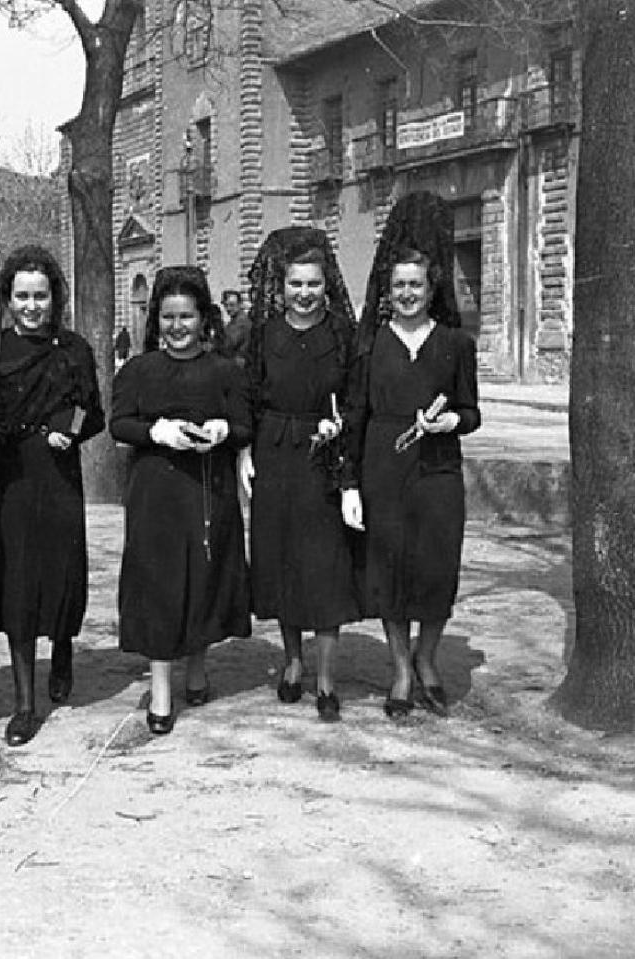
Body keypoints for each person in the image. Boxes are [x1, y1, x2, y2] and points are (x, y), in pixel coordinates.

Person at [346, 192, 480, 721]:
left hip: (438, 472)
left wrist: (452, 421)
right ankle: (401, 668)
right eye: (398, 285)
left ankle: (428, 657)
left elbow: (471, 412)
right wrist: (351, 483)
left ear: (432, 289)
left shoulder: (455, 344)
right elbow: (355, 417)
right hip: (384, 469)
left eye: (415, 285)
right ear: (388, 288)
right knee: (391, 572)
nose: (406, 294)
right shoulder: (371, 344)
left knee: (435, 569)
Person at [0, 245, 104, 747]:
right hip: (10, 475)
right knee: (18, 582)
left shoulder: (74, 350)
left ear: (55, 297)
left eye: (41, 296)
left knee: (61, 572)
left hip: (57, 473)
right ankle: (25, 703)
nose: (32, 305)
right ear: (9, 298)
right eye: (22, 296)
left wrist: (68, 430)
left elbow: (90, 409)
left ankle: (64, 646)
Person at [111, 266, 252, 734]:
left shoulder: (224, 372)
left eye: (186, 317)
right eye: (168, 317)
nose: (177, 327)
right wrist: (156, 430)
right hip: (155, 491)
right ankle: (162, 687)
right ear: (157, 320)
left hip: (208, 489)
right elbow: (120, 424)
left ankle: (197, 668)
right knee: (160, 586)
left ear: (203, 319)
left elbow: (246, 425)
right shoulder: (138, 370)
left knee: (204, 578)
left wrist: (223, 430)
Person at [241, 227, 362, 723]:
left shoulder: (342, 336)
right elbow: (247, 396)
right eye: (296, 285)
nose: (305, 294)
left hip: (323, 459)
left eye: (313, 284)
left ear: (326, 285)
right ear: (282, 286)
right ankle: (292, 663)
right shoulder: (264, 335)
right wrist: (245, 451)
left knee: (326, 568)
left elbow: (357, 400)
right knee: (285, 561)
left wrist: (344, 441)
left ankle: (327, 678)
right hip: (274, 455)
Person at [218, 289, 251, 365]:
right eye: (226, 305)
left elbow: (228, 345)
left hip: (237, 364)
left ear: (240, 304)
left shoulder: (241, 322)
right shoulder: (234, 321)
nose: (228, 309)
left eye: (232, 305)